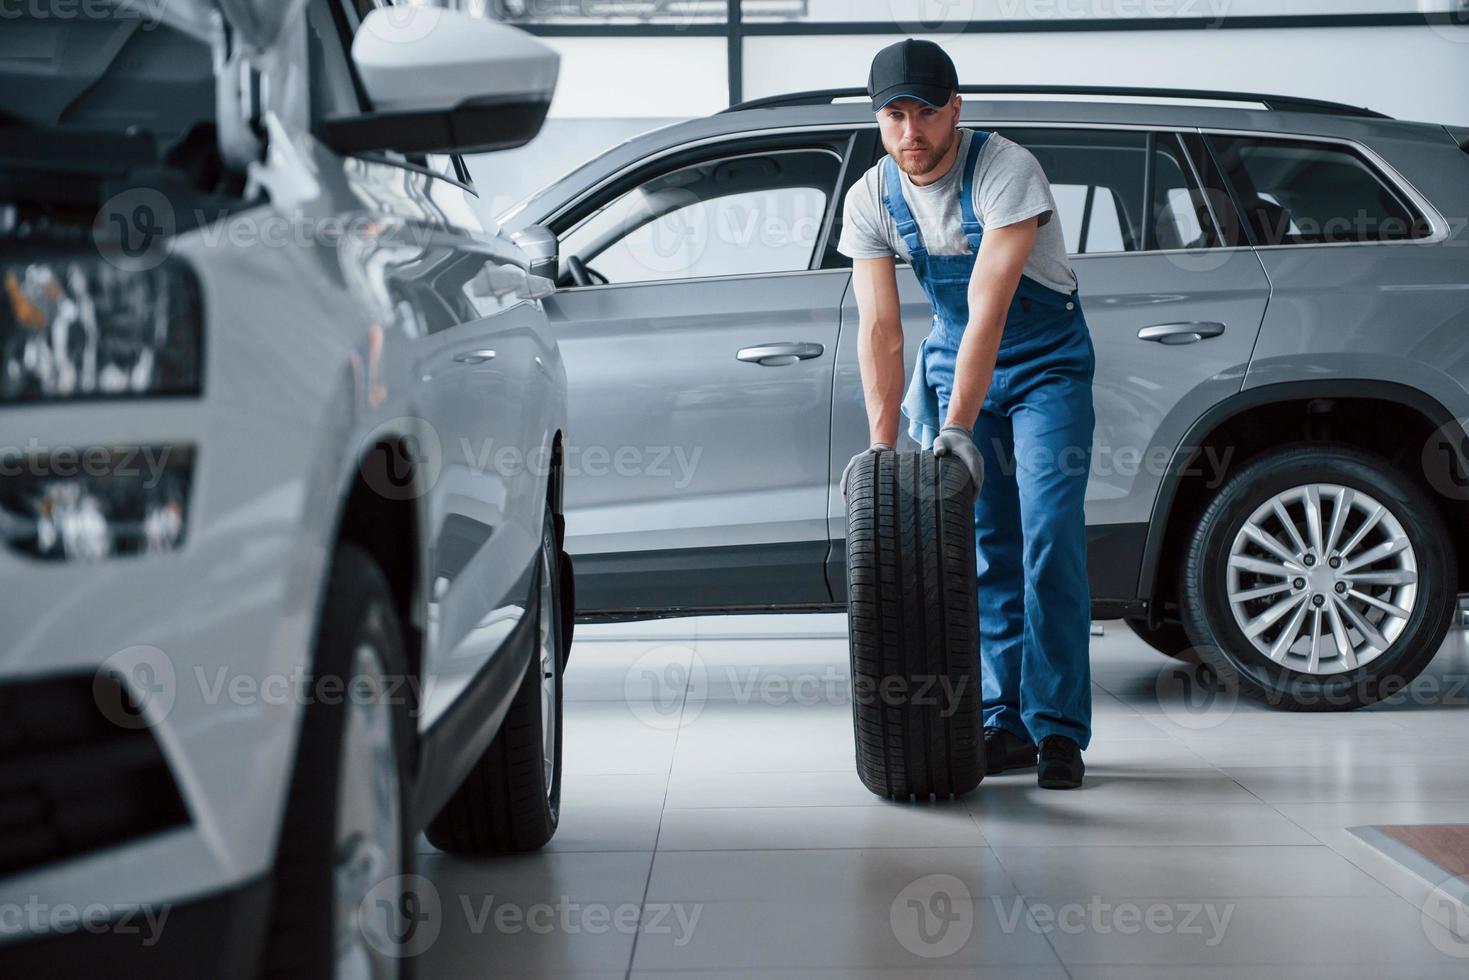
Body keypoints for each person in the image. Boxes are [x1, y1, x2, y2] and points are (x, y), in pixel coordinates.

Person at [837, 38, 1096, 789]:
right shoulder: (871, 197)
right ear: (878, 119)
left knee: (1048, 536)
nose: (910, 131)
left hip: (1044, 366)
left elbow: (988, 306)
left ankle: (1056, 731)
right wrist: (882, 451)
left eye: (925, 112)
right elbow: (882, 331)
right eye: (894, 115)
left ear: (956, 108)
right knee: (980, 550)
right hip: (953, 364)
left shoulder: (1005, 171)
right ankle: (999, 720)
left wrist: (954, 427)